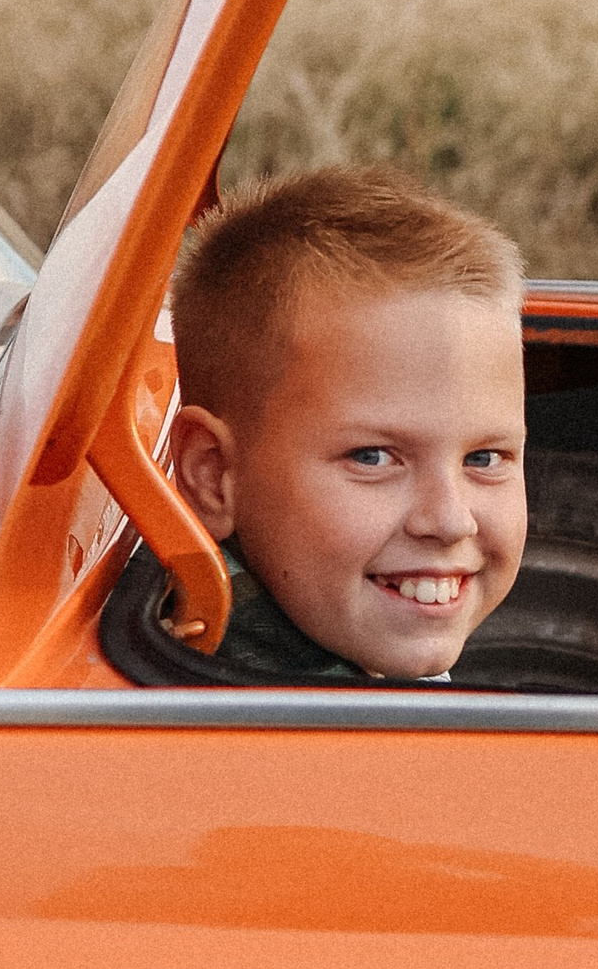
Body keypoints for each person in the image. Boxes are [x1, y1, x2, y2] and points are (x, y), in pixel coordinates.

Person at [105, 164, 529, 685]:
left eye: (483, 459)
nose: (449, 520)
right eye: (372, 457)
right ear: (214, 476)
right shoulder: (285, 725)